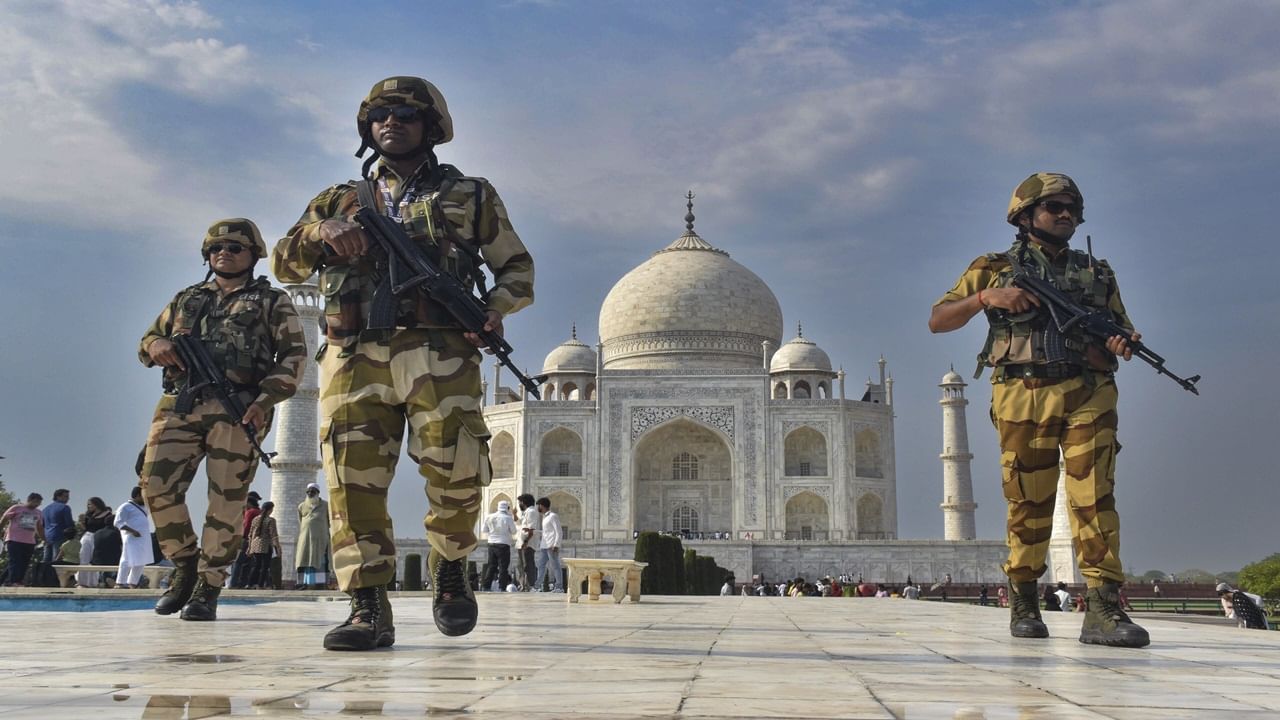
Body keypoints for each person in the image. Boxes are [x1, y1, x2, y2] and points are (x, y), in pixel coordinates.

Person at [271, 75, 534, 650]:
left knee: (458, 469)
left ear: (431, 126)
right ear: (368, 126)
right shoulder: (336, 198)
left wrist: (492, 310)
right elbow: (285, 264)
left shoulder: (470, 194)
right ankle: (367, 606)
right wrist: (323, 231)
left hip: (440, 350)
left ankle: (450, 569)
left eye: (407, 114)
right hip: (353, 353)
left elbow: (516, 269)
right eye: (381, 114)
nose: (392, 122)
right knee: (349, 479)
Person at [929, 172, 1149, 648]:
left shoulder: (1098, 272)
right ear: (1025, 216)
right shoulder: (993, 267)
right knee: (1029, 499)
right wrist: (987, 296)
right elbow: (939, 319)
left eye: (1072, 207)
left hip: (1089, 390)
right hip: (1023, 393)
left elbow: (1121, 331)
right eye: (1055, 207)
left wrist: (1119, 343)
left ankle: (1104, 607)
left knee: (1094, 496)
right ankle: (1025, 598)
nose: (1066, 215)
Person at [138, 218, 304, 619]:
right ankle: (185, 563)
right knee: (155, 487)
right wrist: (157, 344)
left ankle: (208, 586)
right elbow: (147, 343)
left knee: (226, 500)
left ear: (253, 254)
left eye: (234, 247)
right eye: (216, 248)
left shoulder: (271, 301)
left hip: (238, 409)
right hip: (180, 404)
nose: (223, 254)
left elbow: (294, 357)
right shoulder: (186, 299)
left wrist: (264, 401)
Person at [1, 493, 44, 586]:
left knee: (24, 562)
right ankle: (14, 581)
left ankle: (16, 580)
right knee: (15, 561)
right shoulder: (17, 508)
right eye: (36, 502)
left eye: (39, 503)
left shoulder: (38, 512)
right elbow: (4, 519)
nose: (37, 505)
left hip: (29, 541)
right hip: (14, 539)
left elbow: (39, 527)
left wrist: (44, 538)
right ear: (29, 500)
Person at [114, 487, 153, 589]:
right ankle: (120, 582)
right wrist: (133, 531)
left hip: (143, 538)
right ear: (137, 496)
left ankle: (132, 583)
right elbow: (118, 522)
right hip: (131, 537)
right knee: (126, 559)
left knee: (141, 560)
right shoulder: (125, 507)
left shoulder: (144, 507)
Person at [295, 484, 331, 590]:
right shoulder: (301, 506)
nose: (310, 494)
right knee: (303, 560)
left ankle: (320, 584)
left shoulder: (325, 505)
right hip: (305, 539)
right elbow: (300, 521)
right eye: (308, 492)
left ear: (318, 493)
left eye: (313, 491)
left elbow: (330, 521)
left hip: (320, 539)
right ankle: (303, 584)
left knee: (320, 561)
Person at [480, 501, 516, 592]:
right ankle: (502, 587)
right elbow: (514, 531)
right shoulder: (508, 518)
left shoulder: (489, 517)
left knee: (491, 566)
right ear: (507, 508)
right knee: (503, 567)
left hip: (491, 543)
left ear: (498, 507)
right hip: (503, 544)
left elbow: (484, 530)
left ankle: (486, 586)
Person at [230, 491, 263, 589]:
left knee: (238, 562)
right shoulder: (260, 512)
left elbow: (247, 526)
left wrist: (242, 537)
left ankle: (233, 583)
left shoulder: (250, 512)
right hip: (257, 540)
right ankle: (243, 583)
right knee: (248, 563)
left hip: (245, 539)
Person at [246, 501, 281, 589]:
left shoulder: (255, 519)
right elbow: (274, 535)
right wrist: (278, 548)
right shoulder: (271, 520)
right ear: (270, 510)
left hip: (255, 545)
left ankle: (250, 583)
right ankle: (260, 584)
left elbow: (250, 534)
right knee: (265, 566)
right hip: (265, 545)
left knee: (256, 565)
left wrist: (249, 547)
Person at [535, 497, 562, 592]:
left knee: (555, 566)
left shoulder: (553, 516)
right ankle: (538, 586)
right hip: (544, 545)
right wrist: (534, 531)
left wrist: (556, 544)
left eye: (538, 505)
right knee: (540, 566)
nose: (538, 507)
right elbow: (547, 532)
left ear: (542, 506)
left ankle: (559, 587)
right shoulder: (545, 517)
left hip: (551, 546)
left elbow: (558, 531)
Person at [515, 494, 542, 591]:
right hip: (522, 542)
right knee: (521, 565)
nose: (519, 504)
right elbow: (520, 524)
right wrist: (514, 514)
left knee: (528, 565)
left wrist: (526, 541)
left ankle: (530, 585)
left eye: (519, 502)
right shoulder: (526, 512)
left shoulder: (531, 512)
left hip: (527, 543)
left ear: (524, 502)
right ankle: (523, 586)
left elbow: (531, 529)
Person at [41, 489, 74, 564]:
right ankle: (55, 576)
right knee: (57, 560)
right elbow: (69, 523)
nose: (68, 499)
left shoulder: (45, 509)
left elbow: (42, 524)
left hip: (47, 536)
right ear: (58, 497)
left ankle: (44, 575)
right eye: (66, 496)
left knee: (46, 560)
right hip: (60, 535)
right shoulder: (64, 507)